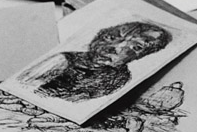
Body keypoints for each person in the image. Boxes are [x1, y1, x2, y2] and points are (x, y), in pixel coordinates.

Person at [17, 21, 172, 102]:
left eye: (136, 47)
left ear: (141, 56)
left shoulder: (121, 78)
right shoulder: (63, 60)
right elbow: (22, 88)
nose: (114, 48)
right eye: (112, 38)